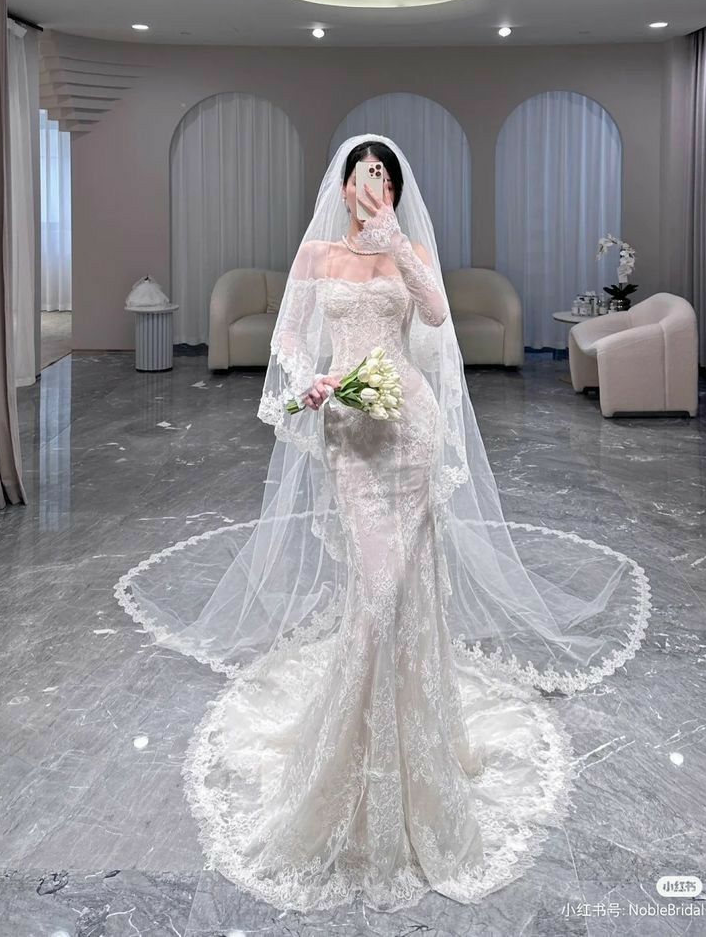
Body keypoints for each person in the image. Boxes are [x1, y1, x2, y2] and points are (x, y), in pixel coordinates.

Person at [116, 134, 652, 914]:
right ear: (342, 183)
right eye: (363, 174)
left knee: (400, 584)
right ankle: (350, 754)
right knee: (375, 585)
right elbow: (289, 337)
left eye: (385, 176)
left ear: (395, 188)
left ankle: (412, 749)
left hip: (411, 428)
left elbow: (434, 315)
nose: (373, 184)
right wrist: (313, 382)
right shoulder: (317, 258)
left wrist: (398, 243)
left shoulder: (404, 252)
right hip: (350, 433)